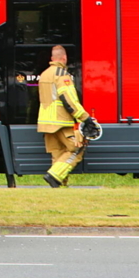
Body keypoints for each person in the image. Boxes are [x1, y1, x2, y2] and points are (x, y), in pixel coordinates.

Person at [37, 45, 95, 188]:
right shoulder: (62, 75)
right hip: (61, 121)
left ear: (52, 59)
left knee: (58, 154)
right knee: (77, 149)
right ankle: (53, 176)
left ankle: (60, 187)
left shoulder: (44, 74)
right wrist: (85, 118)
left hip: (46, 123)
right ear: (64, 58)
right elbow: (69, 100)